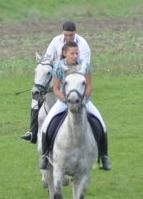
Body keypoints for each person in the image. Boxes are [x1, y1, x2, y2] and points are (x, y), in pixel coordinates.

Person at [38, 41, 111, 171]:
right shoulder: (58, 67)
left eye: (76, 53)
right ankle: (44, 156)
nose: (75, 55)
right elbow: (55, 89)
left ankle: (104, 156)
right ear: (65, 54)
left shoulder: (85, 66)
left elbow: (89, 86)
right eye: (72, 53)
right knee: (47, 123)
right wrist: (65, 99)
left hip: (83, 101)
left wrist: (84, 99)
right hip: (63, 102)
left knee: (101, 123)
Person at [21, 20, 91, 143]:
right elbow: (48, 58)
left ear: (75, 33)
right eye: (66, 35)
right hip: (57, 78)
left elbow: (83, 69)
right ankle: (33, 131)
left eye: (71, 35)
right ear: (63, 33)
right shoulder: (56, 41)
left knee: (92, 113)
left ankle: (92, 134)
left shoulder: (83, 45)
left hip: (75, 82)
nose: (68, 37)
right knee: (36, 95)